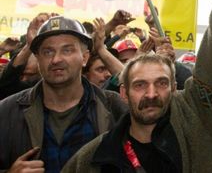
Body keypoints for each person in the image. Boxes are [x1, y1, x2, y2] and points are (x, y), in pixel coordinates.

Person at [63, 0, 212, 172]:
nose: (151, 94)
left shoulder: (194, 123)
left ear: (173, 87)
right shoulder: (96, 158)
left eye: (161, 83)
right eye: (140, 85)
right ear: (124, 93)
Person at [0, 15, 128, 173]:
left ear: (85, 58)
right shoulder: (7, 111)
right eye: (47, 52)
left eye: (67, 50)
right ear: (38, 59)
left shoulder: (114, 106)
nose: (56, 59)